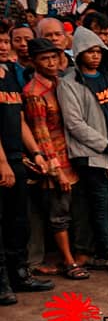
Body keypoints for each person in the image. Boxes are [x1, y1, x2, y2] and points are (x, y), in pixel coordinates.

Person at [56, 27, 108, 277]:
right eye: (89, 52)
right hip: (93, 156)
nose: (94, 56)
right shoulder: (68, 82)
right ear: (79, 53)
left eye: (98, 51)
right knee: (100, 207)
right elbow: (75, 124)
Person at [22, 38, 84, 279]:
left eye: (53, 57)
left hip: (70, 153)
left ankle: (74, 256)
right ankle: (68, 262)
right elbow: (40, 133)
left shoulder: (61, 82)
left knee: (71, 209)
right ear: (34, 61)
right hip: (53, 159)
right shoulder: (34, 92)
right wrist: (55, 169)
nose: (51, 62)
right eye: (44, 58)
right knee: (59, 213)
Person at [0, 30, 53, 302]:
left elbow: (19, 120)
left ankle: (20, 275)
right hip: (3, 161)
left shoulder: (9, 73)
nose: (3, 46)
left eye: (4, 41)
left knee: (18, 219)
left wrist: (37, 152)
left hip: (16, 157)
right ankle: (2, 284)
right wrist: (2, 163)